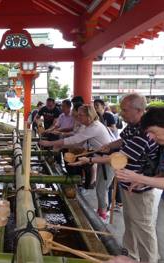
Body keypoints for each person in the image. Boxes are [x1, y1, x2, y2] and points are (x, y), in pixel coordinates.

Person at [84, 94, 159, 262]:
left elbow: (118, 158)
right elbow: (122, 141)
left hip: (140, 188)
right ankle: (130, 256)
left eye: (125, 110)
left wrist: (89, 159)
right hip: (128, 184)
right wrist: (109, 145)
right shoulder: (133, 125)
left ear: (139, 110)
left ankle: (150, 259)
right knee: (131, 223)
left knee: (143, 227)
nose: (121, 113)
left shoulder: (145, 132)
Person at [40, 105, 114, 221]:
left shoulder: (94, 127)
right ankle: (101, 211)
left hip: (108, 161)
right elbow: (80, 143)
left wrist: (50, 144)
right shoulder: (90, 126)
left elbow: (76, 140)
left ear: (89, 115)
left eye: (81, 115)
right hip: (101, 159)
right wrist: (60, 146)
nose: (78, 117)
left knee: (101, 189)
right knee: (100, 187)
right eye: (78, 114)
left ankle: (103, 215)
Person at [115, 107, 164, 263]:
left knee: (146, 229)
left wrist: (140, 178)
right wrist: (141, 179)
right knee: (158, 234)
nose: (150, 136)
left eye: (153, 132)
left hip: (145, 194)